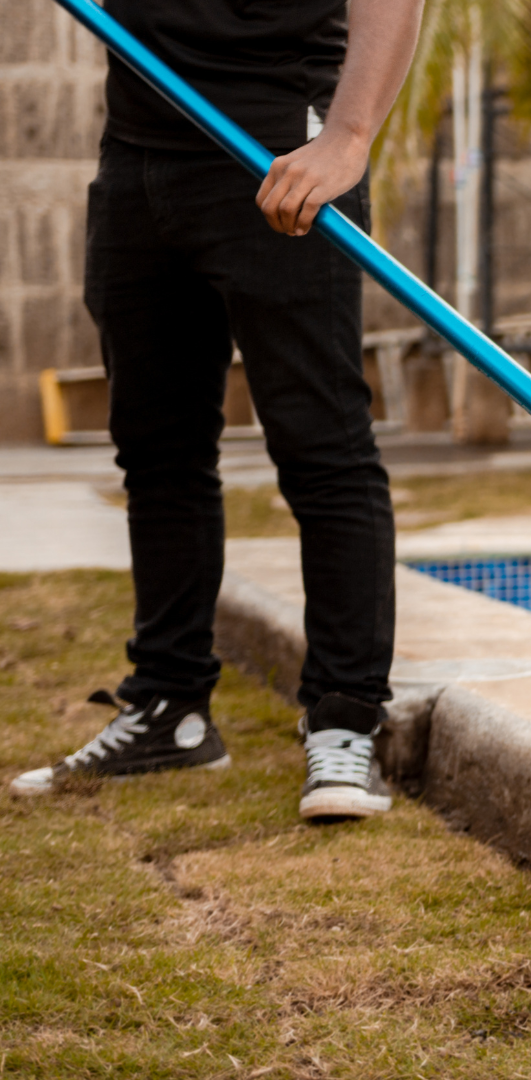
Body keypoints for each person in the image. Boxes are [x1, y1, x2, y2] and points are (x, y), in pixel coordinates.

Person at [8, 0, 424, 820]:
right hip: (138, 150)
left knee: (321, 446)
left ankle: (345, 721)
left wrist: (345, 138)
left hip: (282, 147)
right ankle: (170, 708)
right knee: (157, 452)